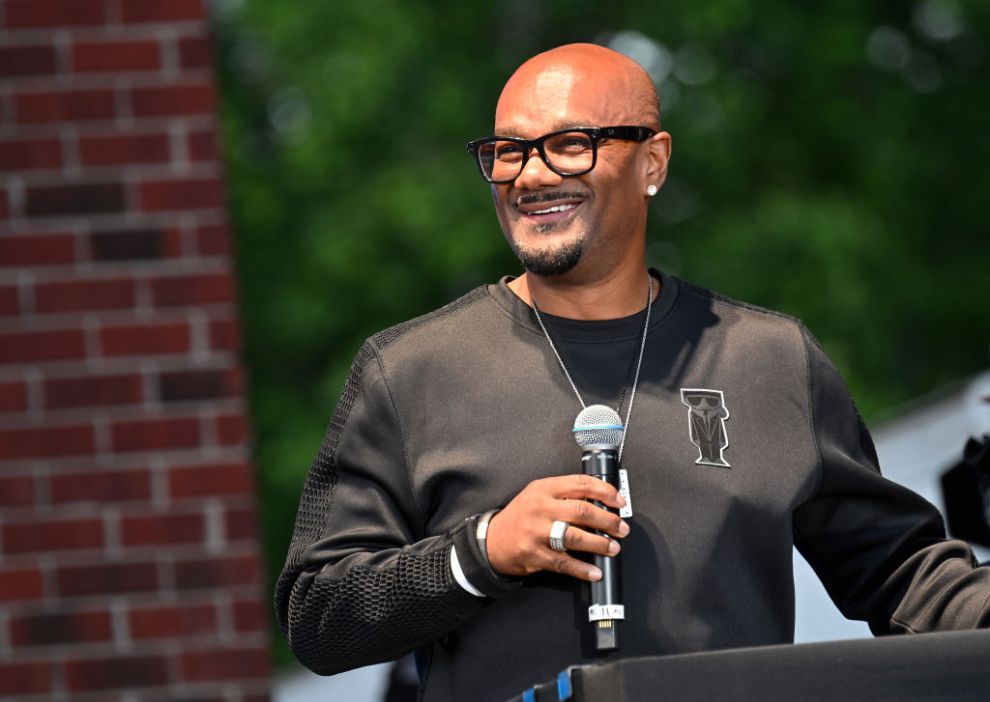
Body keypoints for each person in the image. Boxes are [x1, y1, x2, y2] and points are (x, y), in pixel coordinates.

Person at [275, 43, 990, 702]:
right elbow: (318, 615)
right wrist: (481, 551)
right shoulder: (411, 372)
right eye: (508, 152)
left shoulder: (767, 359)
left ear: (653, 161)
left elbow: (906, 575)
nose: (531, 175)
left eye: (569, 145)